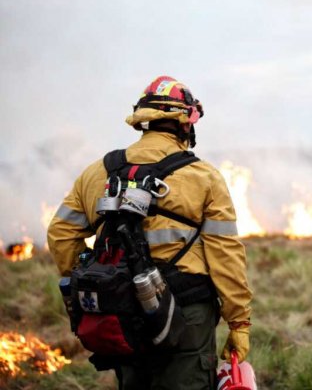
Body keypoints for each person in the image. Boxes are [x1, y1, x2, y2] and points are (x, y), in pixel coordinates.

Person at [47, 76, 252, 389]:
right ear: (186, 123)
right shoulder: (204, 177)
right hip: (186, 315)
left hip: (121, 311)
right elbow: (225, 255)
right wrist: (239, 321)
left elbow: (61, 232)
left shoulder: (96, 173)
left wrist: (97, 278)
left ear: (144, 121)